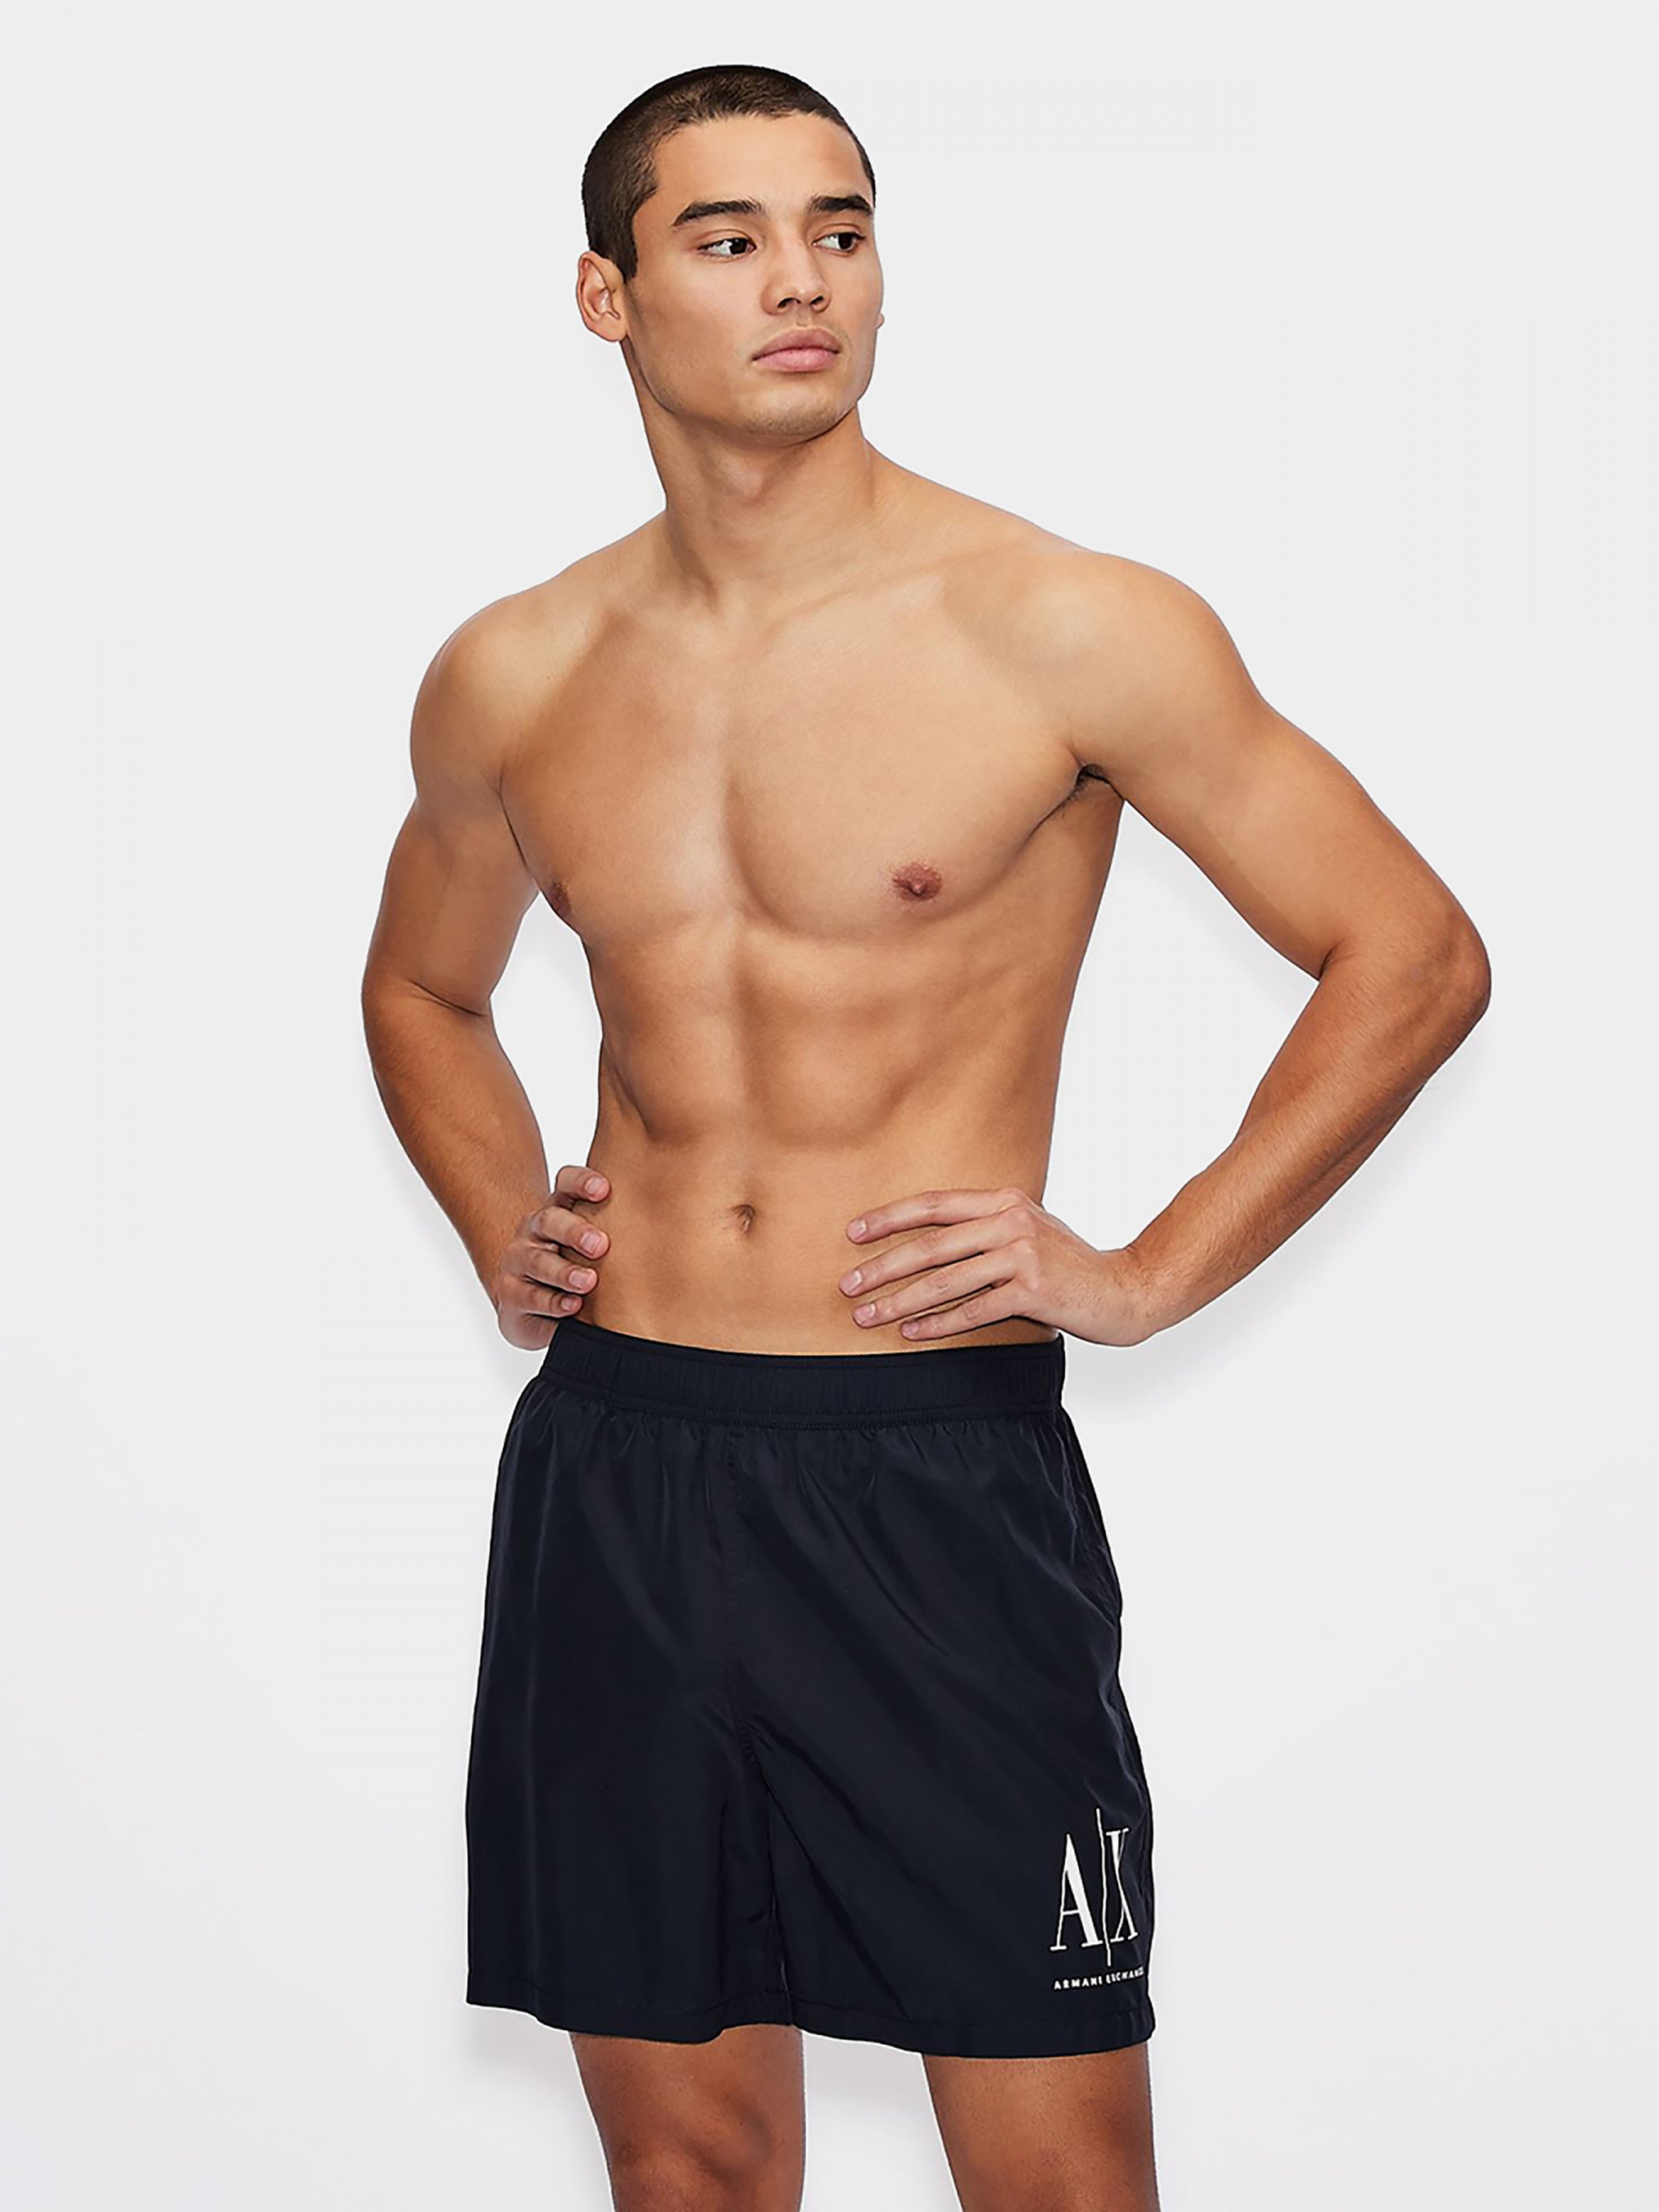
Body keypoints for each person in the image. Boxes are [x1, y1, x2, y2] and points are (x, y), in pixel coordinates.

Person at [360, 60, 1490, 2212]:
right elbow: (421, 989)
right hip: (620, 1472)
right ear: (607, 295)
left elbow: (1410, 952)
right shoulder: (516, 671)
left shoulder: (1063, 623)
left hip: (930, 1478)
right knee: (688, 2163)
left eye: (842, 229)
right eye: (729, 238)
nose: (803, 280)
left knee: (1057, 2172)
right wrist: (507, 1216)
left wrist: (1144, 1269)